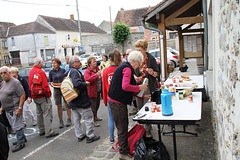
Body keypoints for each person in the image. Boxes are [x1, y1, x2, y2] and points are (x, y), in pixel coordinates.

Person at [108, 51, 149, 160]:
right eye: (139, 63)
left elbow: (128, 87)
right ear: (134, 61)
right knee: (122, 127)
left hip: (115, 101)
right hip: (117, 102)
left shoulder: (126, 67)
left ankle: (124, 149)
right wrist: (140, 87)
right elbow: (125, 86)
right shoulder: (127, 69)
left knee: (123, 126)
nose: (139, 65)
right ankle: (123, 153)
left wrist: (143, 96)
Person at [68, 55, 100, 143]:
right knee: (88, 118)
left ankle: (80, 135)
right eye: (78, 61)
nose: (80, 63)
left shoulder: (68, 71)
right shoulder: (75, 72)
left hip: (73, 100)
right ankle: (90, 136)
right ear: (73, 64)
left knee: (76, 119)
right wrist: (85, 84)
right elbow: (77, 84)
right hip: (81, 100)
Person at [134, 39, 159, 138]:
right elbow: (131, 72)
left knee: (147, 107)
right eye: (136, 50)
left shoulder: (151, 59)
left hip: (148, 86)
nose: (137, 52)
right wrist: (135, 77)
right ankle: (142, 129)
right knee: (140, 108)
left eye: (139, 50)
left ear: (145, 49)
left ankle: (147, 130)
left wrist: (152, 73)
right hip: (138, 86)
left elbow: (157, 74)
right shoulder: (136, 59)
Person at [29, 57, 59, 138]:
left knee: (39, 113)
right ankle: (48, 131)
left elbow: (30, 84)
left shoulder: (31, 71)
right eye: (42, 62)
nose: (42, 64)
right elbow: (45, 85)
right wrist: (48, 94)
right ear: (39, 63)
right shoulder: (41, 72)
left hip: (35, 96)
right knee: (47, 113)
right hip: (43, 96)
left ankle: (41, 129)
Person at [0, 66, 26, 152]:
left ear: (9, 73)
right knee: (14, 125)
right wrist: (2, 107)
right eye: (1, 73)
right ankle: (22, 138)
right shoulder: (4, 83)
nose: (3, 75)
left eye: (5, 73)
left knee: (17, 125)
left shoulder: (15, 82)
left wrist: (20, 108)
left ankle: (21, 142)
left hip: (14, 108)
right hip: (7, 109)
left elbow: (22, 95)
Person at [102, 49, 122, 143]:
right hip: (120, 97)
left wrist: (105, 100)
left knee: (111, 117)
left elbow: (104, 87)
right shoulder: (121, 69)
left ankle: (111, 137)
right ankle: (120, 136)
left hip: (110, 97)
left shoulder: (105, 71)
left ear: (110, 59)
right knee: (120, 118)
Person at [49, 58, 72, 129]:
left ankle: (69, 119)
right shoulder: (51, 71)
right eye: (52, 63)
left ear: (58, 64)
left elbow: (67, 78)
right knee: (59, 105)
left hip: (64, 88)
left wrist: (64, 81)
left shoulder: (63, 70)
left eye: (55, 63)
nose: (53, 65)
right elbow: (50, 81)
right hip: (56, 89)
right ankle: (60, 120)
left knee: (66, 104)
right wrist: (51, 84)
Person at [84, 56, 102, 127]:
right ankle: (93, 120)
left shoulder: (97, 69)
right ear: (89, 63)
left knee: (97, 105)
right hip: (92, 92)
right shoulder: (87, 71)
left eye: (95, 61)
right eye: (93, 62)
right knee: (93, 107)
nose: (95, 63)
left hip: (98, 90)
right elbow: (87, 79)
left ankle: (96, 117)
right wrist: (96, 75)